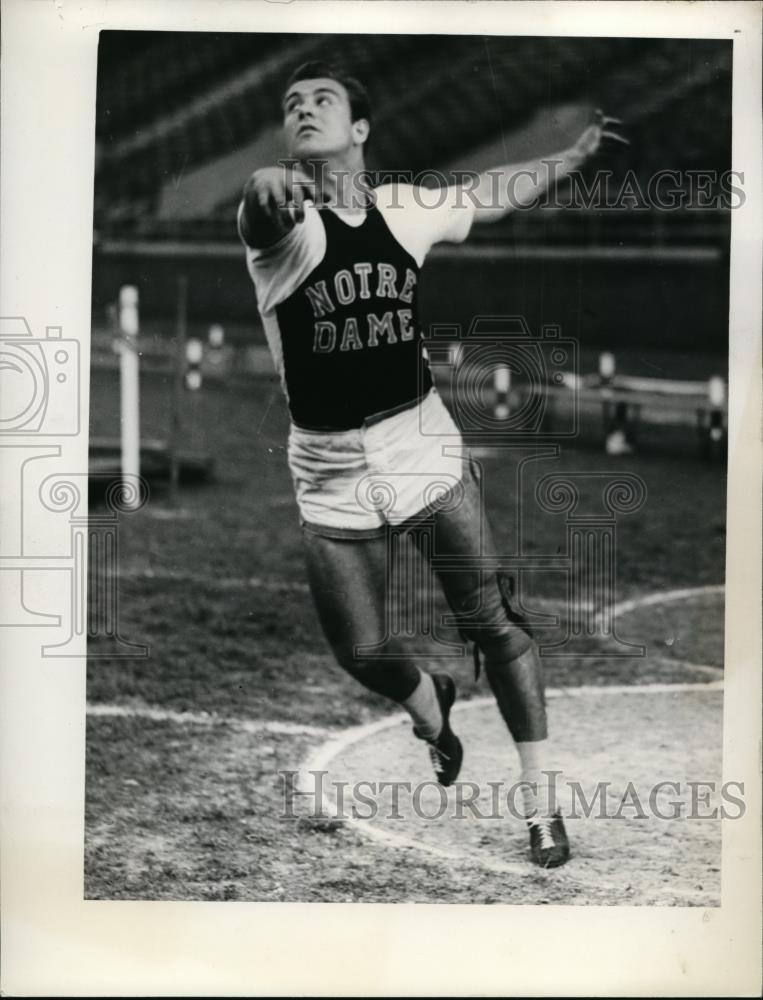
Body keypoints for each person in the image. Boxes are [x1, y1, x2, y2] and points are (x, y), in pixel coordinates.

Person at [238, 61, 625, 868]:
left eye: (321, 101)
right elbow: (263, 201)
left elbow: (486, 193)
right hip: (327, 464)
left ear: (360, 129)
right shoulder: (281, 229)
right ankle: (430, 705)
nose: (302, 109)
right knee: (362, 651)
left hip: (419, 444)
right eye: (290, 105)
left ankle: (541, 806)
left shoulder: (406, 211)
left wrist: (568, 158)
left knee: (492, 623)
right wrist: (267, 179)